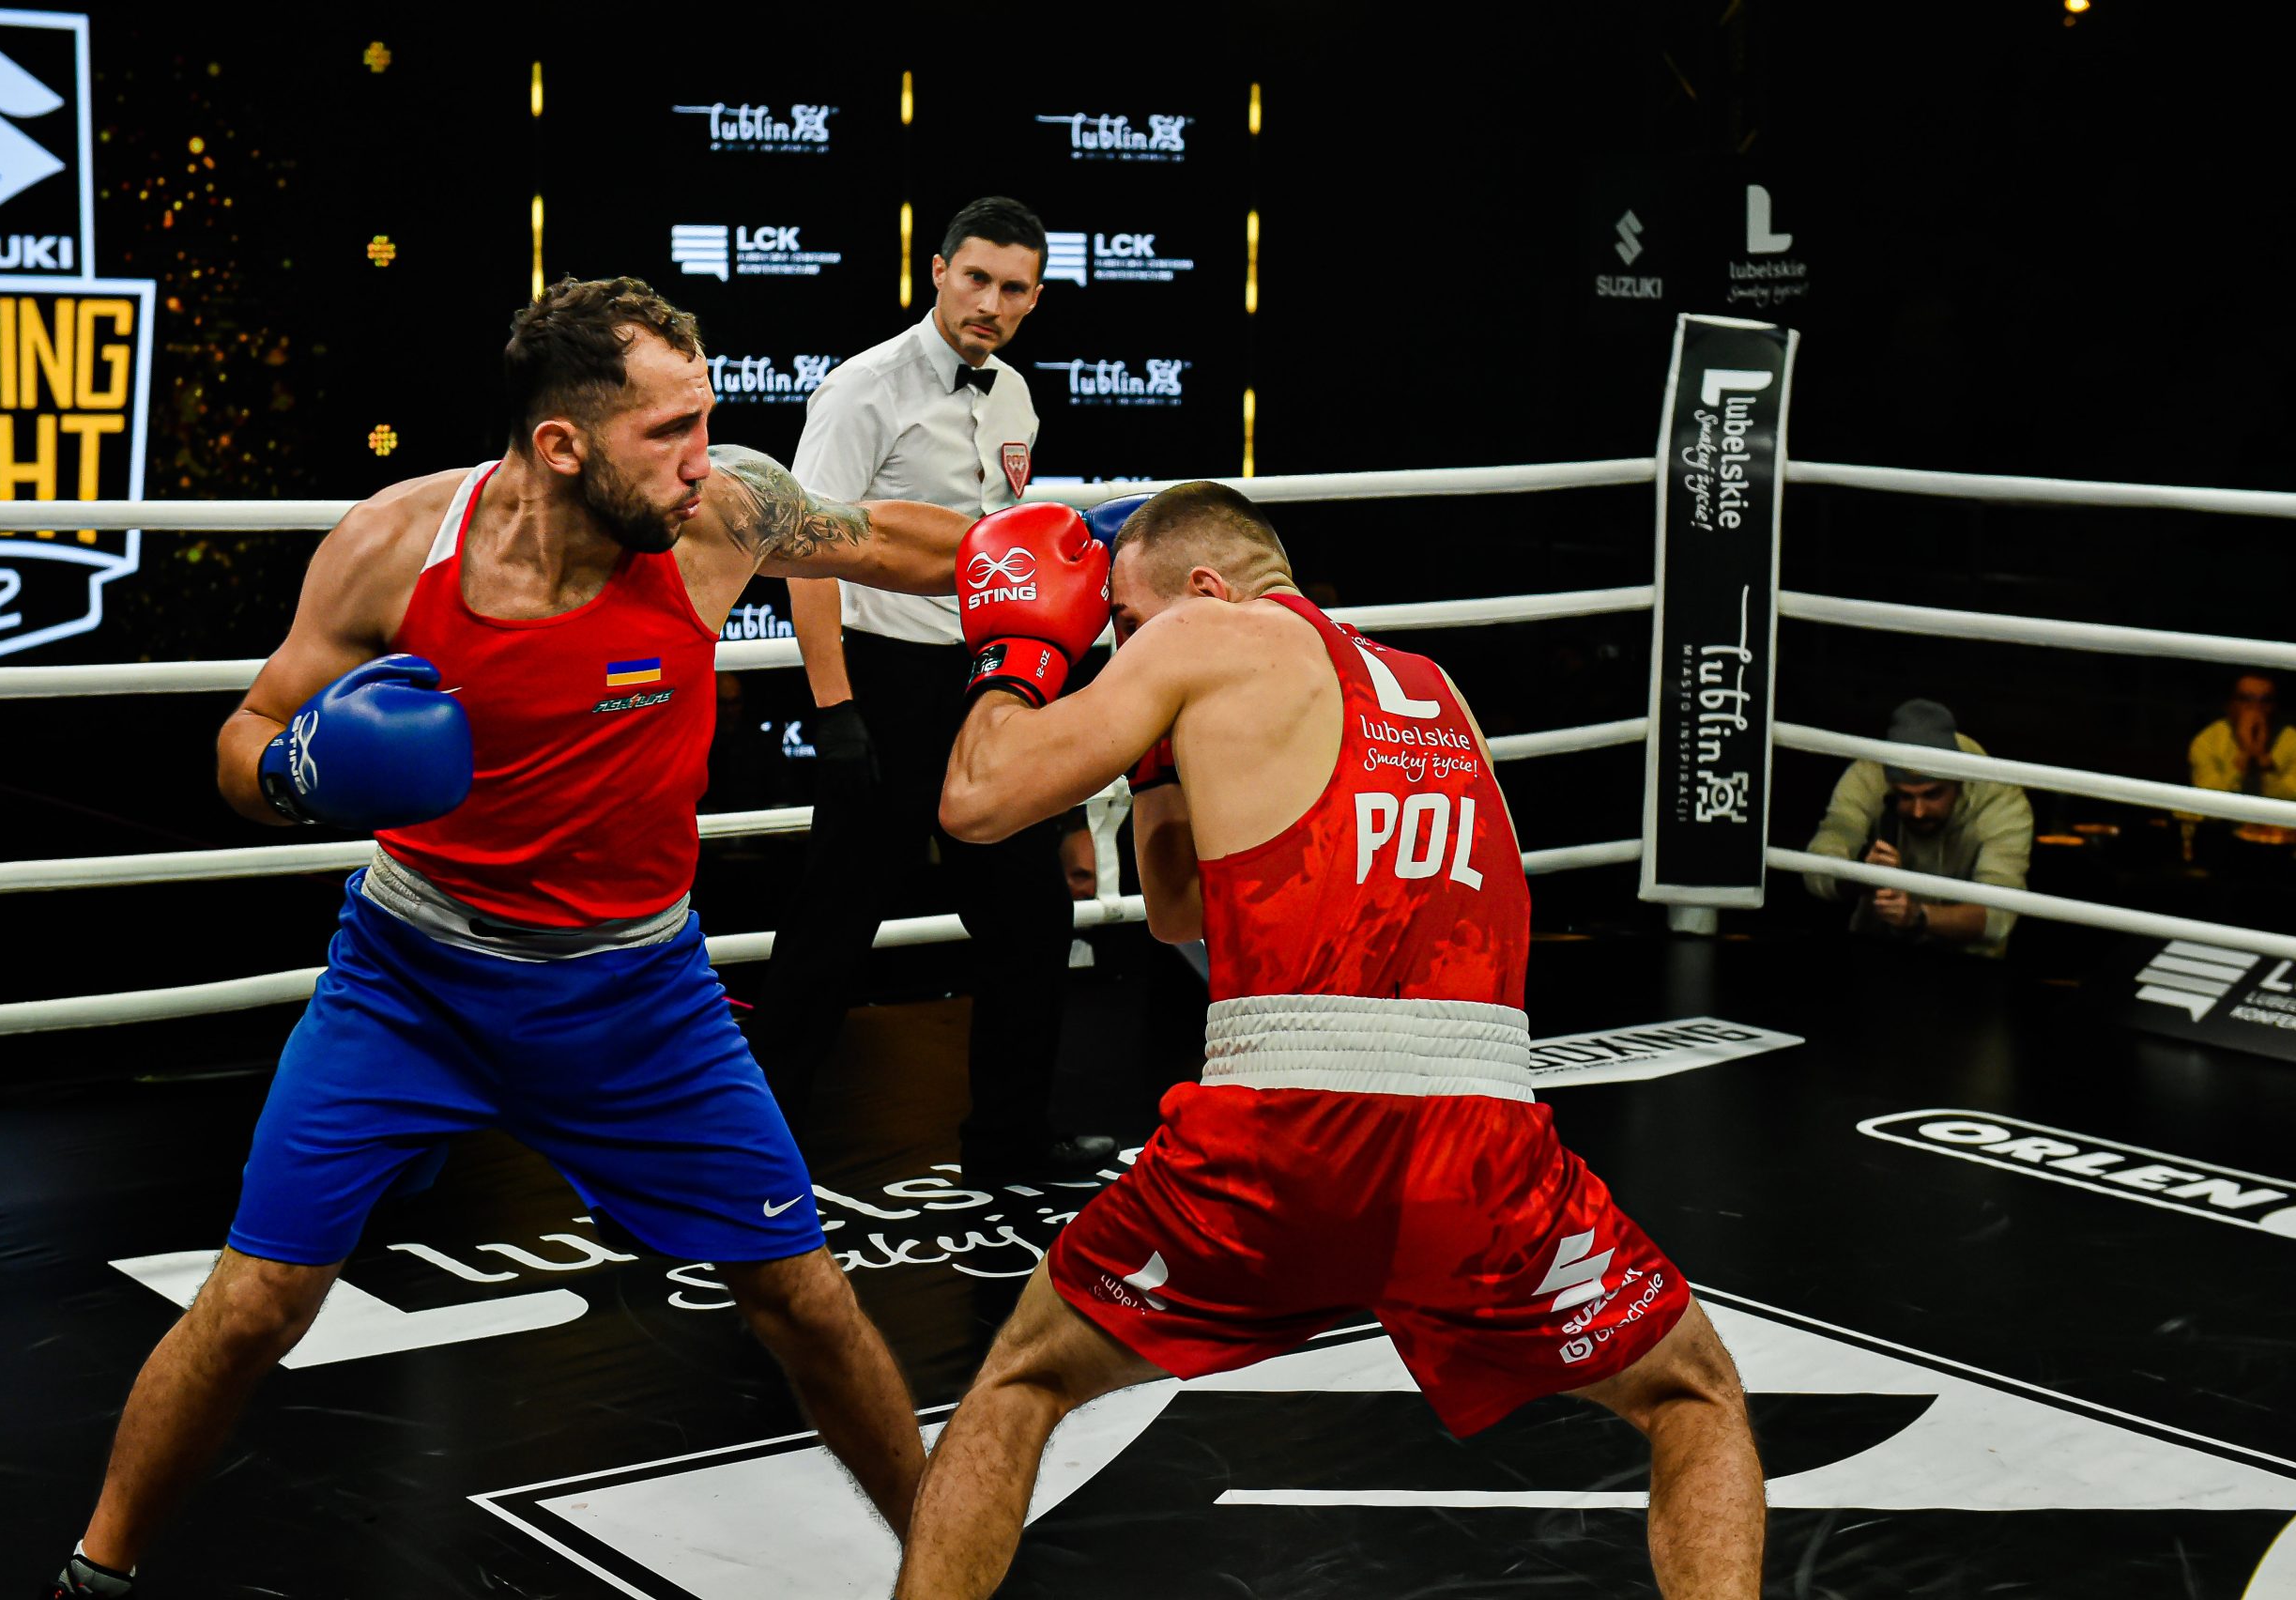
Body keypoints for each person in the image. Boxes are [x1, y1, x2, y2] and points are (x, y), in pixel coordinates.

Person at [42, 277, 968, 1599]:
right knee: (254, 1302)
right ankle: (93, 1575)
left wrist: (1083, 563)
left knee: (806, 1299)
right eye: (670, 431)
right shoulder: (395, 546)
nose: (701, 458)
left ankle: (951, 1577)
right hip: (411, 986)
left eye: (705, 420)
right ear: (561, 444)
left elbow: (897, 543)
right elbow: (245, 737)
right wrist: (298, 773)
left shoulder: (718, 520)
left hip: (639, 997)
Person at [896, 484, 1765, 1599]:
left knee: (1023, 1378)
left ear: (1203, 590)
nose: (1122, 650)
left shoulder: (1203, 636)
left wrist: (1015, 656)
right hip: (1481, 1150)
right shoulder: (1434, 689)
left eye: (1125, 623)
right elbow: (1178, 908)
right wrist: (1161, 757)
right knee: (1693, 1394)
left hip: (1280, 1132)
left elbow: (976, 798)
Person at [754, 196, 1112, 1183]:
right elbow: (804, 548)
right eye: (977, 278)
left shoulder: (1015, 396)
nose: (990, 302)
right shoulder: (863, 387)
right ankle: (746, 1156)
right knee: (833, 926)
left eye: (1013, 288)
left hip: (989, 682)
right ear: (941, 271)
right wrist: (835, 710)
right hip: (882, 680)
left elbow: (1011, 561)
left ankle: (1008, 1143)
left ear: (1035, 298)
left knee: (1031, 918)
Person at [1801, 698, 2033, 958]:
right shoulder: (1870, 773)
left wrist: (1916, 916)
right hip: (1876, 945)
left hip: (1969, 961)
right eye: (1905, 796)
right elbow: (1819, 861)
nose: (1918, 811)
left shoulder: (2001, 799)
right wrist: (1860, 878)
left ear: (1959, 782)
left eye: (1932, 794)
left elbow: (1998, 917)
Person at [2189, 671, 2296, 800]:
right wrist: (2243, 757)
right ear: (2230, 706)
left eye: (2265, 701)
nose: (2255, 708)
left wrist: (2263, 759)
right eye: (2245, 699)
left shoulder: (2292, 740)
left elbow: (2291, 798)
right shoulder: (2207, 740)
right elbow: (2208, 799)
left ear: (2274, 707)